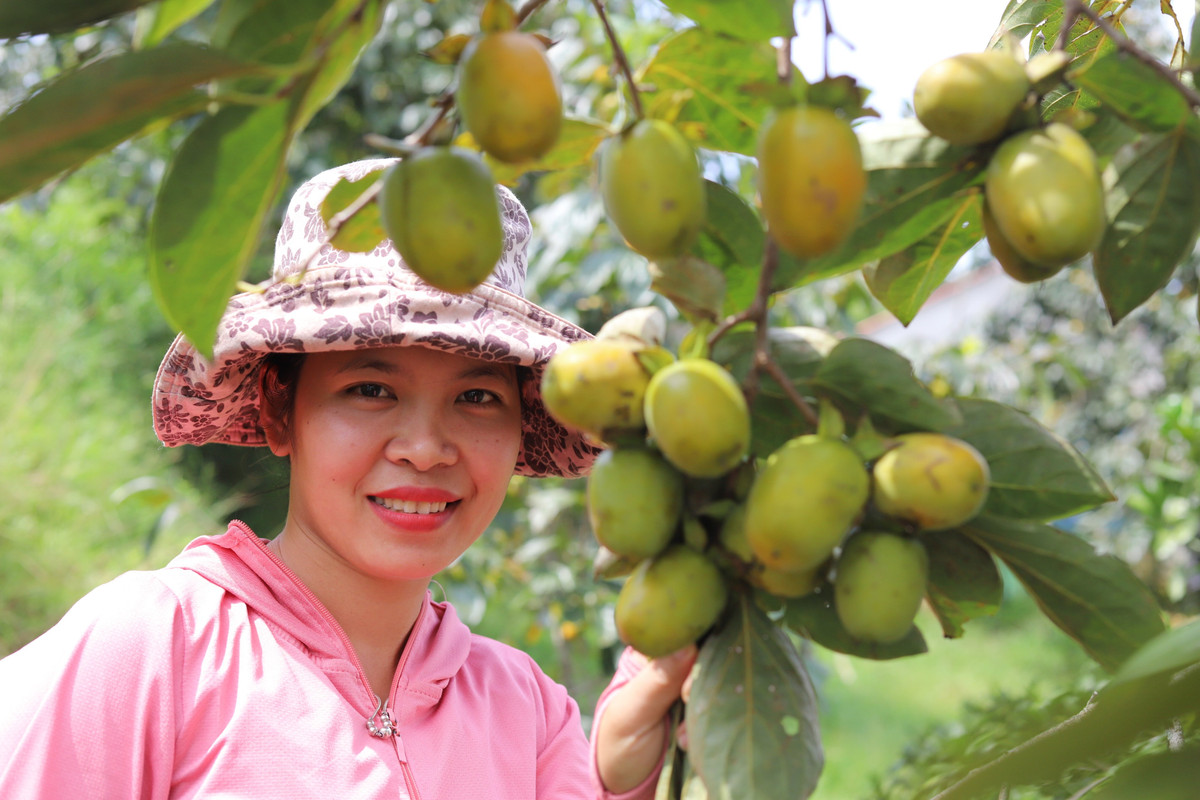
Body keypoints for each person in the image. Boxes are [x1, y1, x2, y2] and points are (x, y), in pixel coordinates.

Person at [0, 159, 693, 798]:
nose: (425, 449)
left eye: (477, 397)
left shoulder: (529, 711)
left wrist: (615, 772)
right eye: (370, 389)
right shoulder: (154, 650)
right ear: (280, 408)